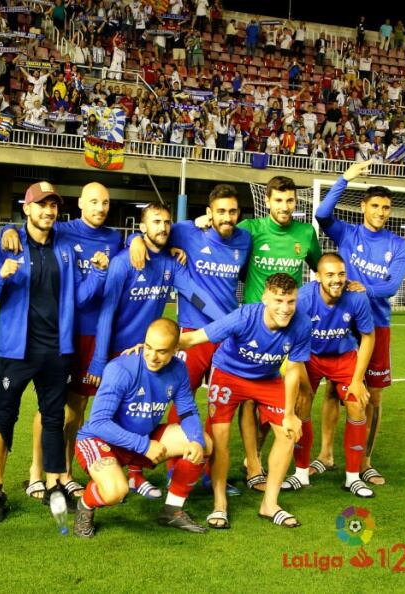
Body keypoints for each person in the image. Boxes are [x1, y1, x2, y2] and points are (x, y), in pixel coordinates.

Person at [0, 181, 109, 524]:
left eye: (53, 206)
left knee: (54, 418)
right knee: (3, 418)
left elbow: (79, 299)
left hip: (56, 350)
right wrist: (2, 276)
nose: (48, 211)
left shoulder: (64, 247)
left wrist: (97, 273)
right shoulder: (9, 243)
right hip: (16, 351)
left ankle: (53, 483)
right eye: (41, 205)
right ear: (27, 208)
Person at [87, 201, 225, 499]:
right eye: (155, 222)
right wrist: (99, 361)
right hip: (118, 355)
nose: (162, 227)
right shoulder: (125, 262)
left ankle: (136, 475)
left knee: (141, 414)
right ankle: (96, 474)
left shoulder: (172, 264)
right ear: (142, 227)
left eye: (166, 222)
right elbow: (107, 313)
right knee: (108, 417)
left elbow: (196, 296)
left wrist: (226, 323)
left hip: (152, 355)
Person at [128, 185, 251, 495]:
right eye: (220, 211)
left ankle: (210, 473)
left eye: (232, 211)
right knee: (180, 400)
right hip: (192, 334)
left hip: (227, 336)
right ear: (208, 213)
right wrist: (134, 240)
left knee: (219, 406)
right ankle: (174, 471)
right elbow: (153, 232)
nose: (227, 217)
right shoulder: (185, 231)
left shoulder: (245, 239)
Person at [178, 273, 311, 528]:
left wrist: (289, 414)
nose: (285, 309)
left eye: (290, 301)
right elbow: (194, 338)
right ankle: (219, 505)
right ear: (265, 298)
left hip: (266, 378)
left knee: (288, 433)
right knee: (220, 437)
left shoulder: (302, 324)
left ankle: (269, 504)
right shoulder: (244, 316)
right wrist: (154, 345)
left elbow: (293, 368)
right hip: (228, 374)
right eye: (278, 300)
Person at [313, 160, 405, 486]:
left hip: (377, 325)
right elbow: (322, 215)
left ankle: (365, 460)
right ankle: (326, 454)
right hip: (343, 323)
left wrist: (363, 287)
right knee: (333, 391)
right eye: (375, 206)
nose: (381, 212)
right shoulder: (347, 232)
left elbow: (391, 287)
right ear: (363, 206)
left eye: (386, 208)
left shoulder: (399, 245)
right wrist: (345, 178)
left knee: (373, 396)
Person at [73, 318, 209, 538]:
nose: (152, 357)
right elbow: (98, 422)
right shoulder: (121, 369)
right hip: (99, 440)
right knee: (116, 492)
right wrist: (144, 445)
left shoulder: (178, 369)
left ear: (176, 349)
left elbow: (187, 411)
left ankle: (172, 510)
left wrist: (196, 440)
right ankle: (85, 505)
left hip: (141, 439)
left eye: (162, 351)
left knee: (203, 443)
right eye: (148, 347)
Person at [236, 176, 321, 490]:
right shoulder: (251, 229)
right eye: (279, 200)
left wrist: (345, 280)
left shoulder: (305, 233)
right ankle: (253, 461)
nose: (285, 207)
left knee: (302, 393)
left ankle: (298, 458)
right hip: (254, 328)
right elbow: (222, 243)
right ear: (267, 201)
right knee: (249, 399)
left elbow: (320, 265)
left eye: (290, 201)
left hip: (288, 328)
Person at [281, 253, 376, 498]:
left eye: (341, 274)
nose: (337, 280)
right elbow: (293, 345)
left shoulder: (357, 297)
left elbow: (368, 336)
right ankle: (300, 473)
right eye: (330, 275)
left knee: (357, 405)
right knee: (301, 405)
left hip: (343, 357)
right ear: (318, 277)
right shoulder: (303, 299)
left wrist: (357, 380)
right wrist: (302, 386)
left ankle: (353, 478)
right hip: (309, 356)